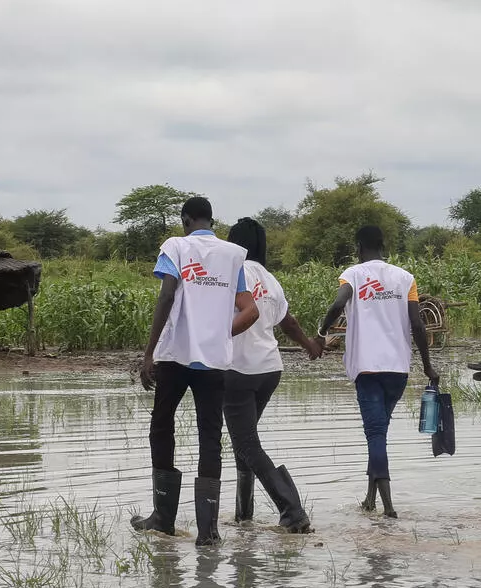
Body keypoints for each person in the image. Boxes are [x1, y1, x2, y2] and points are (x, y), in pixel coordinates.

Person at [134, 196, 252, 544]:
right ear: (211, 220)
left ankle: (163, 519)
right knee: (210, 437)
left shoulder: (176, 246)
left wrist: (148, 353)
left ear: (185, 220)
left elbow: (167, 295)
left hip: (175, 356)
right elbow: (242, 303)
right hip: (214, 360)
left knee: (161, 427)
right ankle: (208, 531)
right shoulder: (234, 255)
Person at [318, 225, 437, 518]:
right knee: (379, 431)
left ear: (359, 247)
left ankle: (388, 507)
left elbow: (338, 302)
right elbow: (418, 325)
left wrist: (321, 331)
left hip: (368, 368)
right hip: (397, 370)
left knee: (374, 435)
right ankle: (370, 499)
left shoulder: (353, 275)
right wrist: (427, 365)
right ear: (383, 246)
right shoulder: (405, 278)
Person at [223, 217, 319, 534]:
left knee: (247, 444)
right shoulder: (270, 279)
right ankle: (244, 513)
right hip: (269, 370)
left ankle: (292, 510)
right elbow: (287, 322)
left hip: (239, 369)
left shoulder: (233, 272)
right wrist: (309, 346)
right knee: (245, 442)